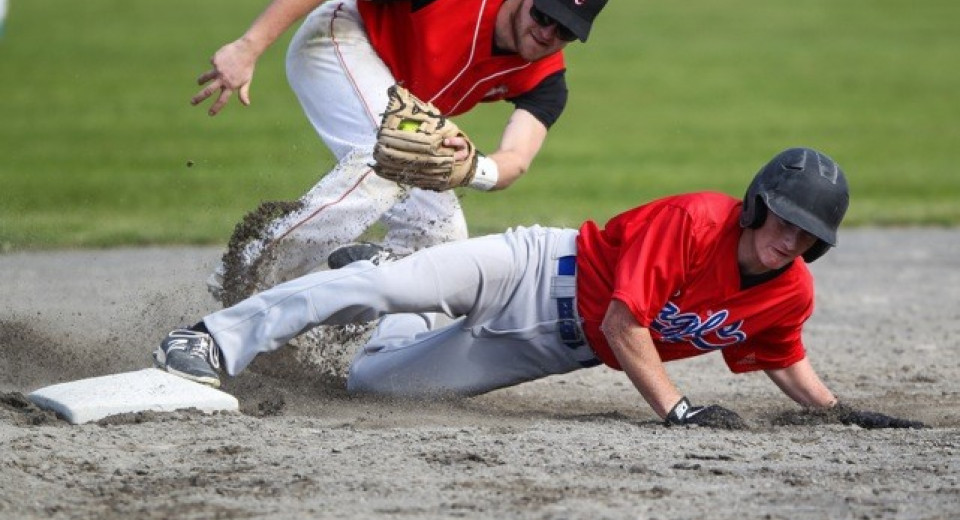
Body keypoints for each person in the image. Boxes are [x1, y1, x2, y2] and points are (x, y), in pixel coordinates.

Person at [154, 147, 923, 428]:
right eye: (783, 218)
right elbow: (628, 327)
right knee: (370, 296)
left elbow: (781, 352)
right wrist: (678, 411)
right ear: (759, 203)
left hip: (544, 352)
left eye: (807, 233)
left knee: (372, 386)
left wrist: (837, 414)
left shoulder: (786, 293)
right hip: (530, 268)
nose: (790, 237)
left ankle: (386, 279)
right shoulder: (695, 222)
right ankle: (213, 337)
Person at [191, 0, 610, 302]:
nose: (548, 33)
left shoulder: (546, 80)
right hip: (340, 39)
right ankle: (247, 269)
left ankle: (344, 298)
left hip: (395, 102)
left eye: (566, 31)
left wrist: (472, 167)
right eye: (544, 15)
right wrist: (250, 46)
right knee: (388, 167)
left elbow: (515, 159)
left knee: (442, 237)